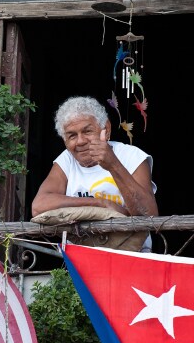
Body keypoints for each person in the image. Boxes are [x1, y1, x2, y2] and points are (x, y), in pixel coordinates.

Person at [31, 96, 158, 250]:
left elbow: (149, 215)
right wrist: (101, 203)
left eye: (87, 131)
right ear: (65, 141)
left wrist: (113, 164)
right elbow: (39, 206)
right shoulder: (66, 160)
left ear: (106, 129)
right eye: (72, 135)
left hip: (130, 257)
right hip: (79, 262)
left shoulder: (131, 156)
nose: (80, 141)